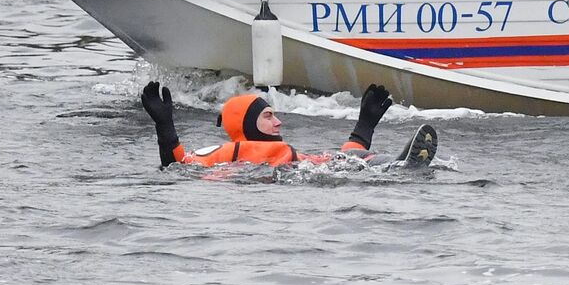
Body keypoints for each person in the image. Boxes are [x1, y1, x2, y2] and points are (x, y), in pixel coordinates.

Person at [139, 81, 395, 168]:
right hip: (280, 183)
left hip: (296, 177)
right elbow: (178, 165)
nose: (278, 121)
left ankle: (394, 164)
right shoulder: (231, 152)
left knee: (350, 161)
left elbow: (332, 160)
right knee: (352, 162)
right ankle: (395, 165)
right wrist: (165, 126)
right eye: (268, 116)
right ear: (247, 123)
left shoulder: (279, 152)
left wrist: (364, 127)